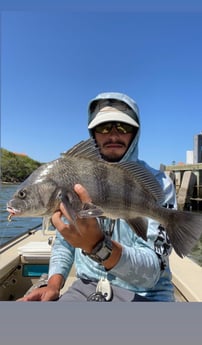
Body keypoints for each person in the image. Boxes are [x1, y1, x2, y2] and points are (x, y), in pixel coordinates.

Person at [19, 92, 177, 302]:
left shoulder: (158, 183)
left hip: (147, 295)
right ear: (93, 133)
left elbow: (152, 273)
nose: (113, 135)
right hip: (87, 287)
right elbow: (64, 242)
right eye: (103, 128)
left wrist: (99, 246)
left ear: (135, 133)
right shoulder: (71, 177)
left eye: (123, 127)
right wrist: (53, 284)